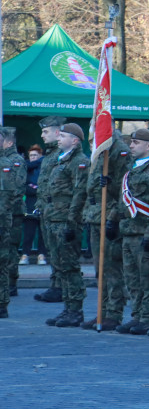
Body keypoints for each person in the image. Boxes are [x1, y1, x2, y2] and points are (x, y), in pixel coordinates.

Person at [72, 126, 131, 330]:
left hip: (110, 214)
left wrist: (114, 218)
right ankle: (101, 311)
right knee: (99, 268)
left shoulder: (118, 150)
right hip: (96, 215)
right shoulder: (100, 148)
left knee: (111, 268)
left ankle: (113, 312)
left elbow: (124, 186)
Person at [115, 129, 149, 335]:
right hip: (128, 231)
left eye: (135, 142)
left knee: (148, 278)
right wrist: (113, 221)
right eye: (130, 142)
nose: (131, 146)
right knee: (132, 278)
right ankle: (137, 314)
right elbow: (121, 201)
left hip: (145, 232)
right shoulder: (130, 170)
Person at [42, 123, 90, 327]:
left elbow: (79, 194)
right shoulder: (60, 160)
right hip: (54, 218)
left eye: (63, 136)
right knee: (60, 266)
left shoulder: (79, 162)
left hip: (66, 221)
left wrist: (72, 221)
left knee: (70, 266)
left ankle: (75, 310)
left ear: (75, 140)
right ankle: (67, 308)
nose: (59, 139)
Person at [34, 116, 66, 303]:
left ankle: (61, 287)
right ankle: (55, 285)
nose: (42, 135)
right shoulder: (50, 155)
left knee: (61, 253)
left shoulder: (62, 155)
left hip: (58, 211)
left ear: (57, 132)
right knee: (52, 252)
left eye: (46, 132)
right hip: (47, 210)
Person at [0, 127, 26, 318]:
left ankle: (5, 296)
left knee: (6, 255)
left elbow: (12, 191)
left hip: (6, 217)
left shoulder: (9, 162)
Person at [20, 144, 45, 267]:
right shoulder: (25, 168)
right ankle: (25, 254)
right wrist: (32, 188)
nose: (33, 157)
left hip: (43, 204)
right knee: (29, 232)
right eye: (31, 155)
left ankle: (41, 255)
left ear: (40, 156)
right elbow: (22, 185)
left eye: (35, 155)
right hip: (30, 203)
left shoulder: (44, 167)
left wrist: (35, 188)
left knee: (42, 232)